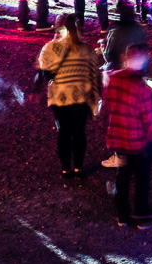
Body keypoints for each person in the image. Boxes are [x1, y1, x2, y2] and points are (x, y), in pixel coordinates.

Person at [35, 12, 105, 180]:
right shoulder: (86, 48)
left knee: (64, 132)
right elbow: (94, 73)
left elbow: (45, 74)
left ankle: (66, 169)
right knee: (79, 132)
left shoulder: (50, 48)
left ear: (59, 28)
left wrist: (36, 89)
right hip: (82, 95)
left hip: (60, 96)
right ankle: (79, 168)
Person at [102, 43, 152, 228]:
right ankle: (142, 214)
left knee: (122, 176)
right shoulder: (140, 87)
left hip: (117, 139)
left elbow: (107, 101)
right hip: (137, 141)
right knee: (142, 177)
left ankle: (123, 215)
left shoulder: (114, 78)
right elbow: (148, 118)